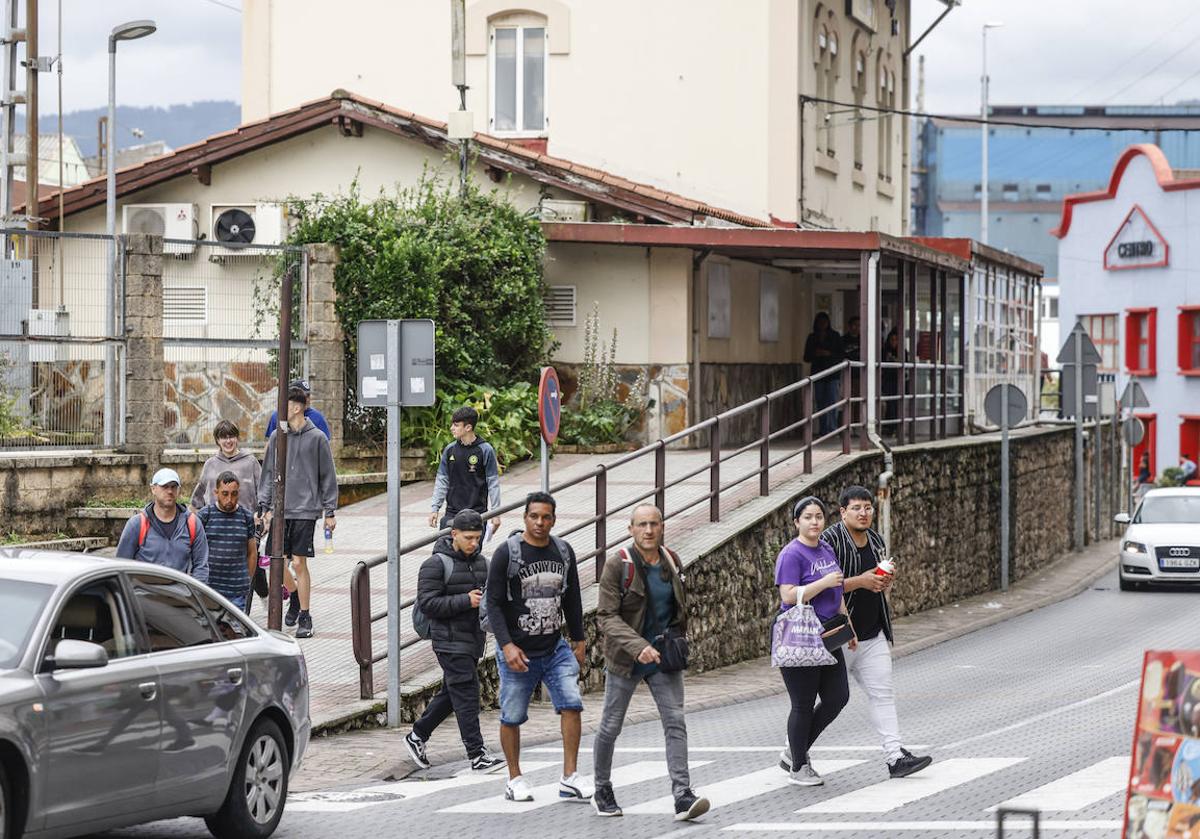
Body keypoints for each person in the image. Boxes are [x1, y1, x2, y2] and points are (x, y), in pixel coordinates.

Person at [780, 486, 932, 779]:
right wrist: (861, 582)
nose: (863, 513)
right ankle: (793, 752)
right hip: (837, 637)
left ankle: (895, 756)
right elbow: (829, 584)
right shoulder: (829, 541)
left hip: (871, 631)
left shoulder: (875, 540)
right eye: (857, 508)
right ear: (842, 512)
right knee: (828, 699)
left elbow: (861, 582)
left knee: (882, 693)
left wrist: (882, 580)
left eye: (868, 508)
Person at [592, 504, 710, 821]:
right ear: (631, 529)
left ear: (662, 527)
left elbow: (680, 607)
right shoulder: (618, 564)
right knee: (611, 726)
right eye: (641, 524)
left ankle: (682, 796)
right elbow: (606, 616)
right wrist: (637, 646)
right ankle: (601, 788)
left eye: (654, 524)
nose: (648, 530)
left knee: (675, 722)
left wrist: (676, 641)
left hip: (663, 658)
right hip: (626, 659)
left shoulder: (671, 560)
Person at [486, 492, 590, 804]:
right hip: (518, 650)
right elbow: (492, 602)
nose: (540, 523)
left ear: (554, 519)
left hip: (554, 647)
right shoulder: (507, 553)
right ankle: (514, 778)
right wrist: (506, 646)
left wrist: (579, 639)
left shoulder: (563, 551)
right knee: (512, 715)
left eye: (546, 517)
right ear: (525, 518)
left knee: (572, 703)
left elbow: (572, 599)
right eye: (534, 516)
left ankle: (570, 776)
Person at [404, 510, 506, 773]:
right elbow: (427, 603)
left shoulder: (482, 563)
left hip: (473, 639)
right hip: (447, 640)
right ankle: (477, 754)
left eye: (478, 537)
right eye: (468, 537)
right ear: (454, 535)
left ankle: (417, 736)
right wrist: (465, 601)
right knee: (468, 693)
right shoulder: (435, 564)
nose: (474, 543)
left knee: (453, 693)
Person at [774, 496, 855, 786]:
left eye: (819, 516)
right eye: (808, 517)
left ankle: (794, 752)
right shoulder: (791, 554)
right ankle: (798, 766)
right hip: (801, 637)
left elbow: (839, 589)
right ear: (797, 522)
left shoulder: (826, 548)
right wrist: (821, 583)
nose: (814, 522)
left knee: (837, 697)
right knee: (803, 704)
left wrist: (850, 627)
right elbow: (787, 595)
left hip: (829, 635)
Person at [258, 385, 338, 639]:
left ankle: (305, 614)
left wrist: (330, 511)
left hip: (305, 509)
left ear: (297, 407)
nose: (280, 408)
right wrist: (264, 506)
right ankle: (293, 595)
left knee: (298, 562)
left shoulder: (317, 438)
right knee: (275, 564)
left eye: (285, 403)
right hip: (281, 509)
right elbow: (268, 472)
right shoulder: (276, 438)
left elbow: (328, 476)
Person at [115, 467, 209, 584]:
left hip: (180, 597)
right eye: (165, 486)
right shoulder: (137, 524)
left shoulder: (192, 523)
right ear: (153, 489)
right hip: (145, 597)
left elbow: (201, 566)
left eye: (173, 487)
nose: (170, 491)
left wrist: (194, 595)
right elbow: (121, 565)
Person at [429, 406, 502, 531]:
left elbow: (493, 483)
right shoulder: (449, 450)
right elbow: (442, 480)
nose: (452, 428)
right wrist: (435, 508)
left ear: (468, 427)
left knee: (471, 549)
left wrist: (496, 513)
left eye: (456, 425)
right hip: (452, 514)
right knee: (446, 549)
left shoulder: (485, 450)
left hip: (477, 514)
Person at [196, 471, 258, 613]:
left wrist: (246, 581)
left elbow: (252, 553)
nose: (229, 499)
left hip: (237, 591)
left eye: (234, 494)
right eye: (225, 494)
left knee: (235, 632)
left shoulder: (246, 517)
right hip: (209, 590)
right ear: (216, 492)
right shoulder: (205, 515)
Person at [190, 419, 262, 512]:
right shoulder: (210, 464)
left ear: (237, 438)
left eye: (231, 436)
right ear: (217, 440)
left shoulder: (251, 462)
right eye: (224, 437)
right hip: (215, 522)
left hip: (245, 523)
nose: (228, 441)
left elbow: (263, 494)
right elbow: (197, 500)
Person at [804, 312, 843, 437]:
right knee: (820, 402)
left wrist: (828, 354)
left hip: (832, 373)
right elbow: (806, 357)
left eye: (825, 322)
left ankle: (832, 429)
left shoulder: (835, 336)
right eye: (820, 322)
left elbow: (841, 355)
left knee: (832, 401)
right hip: (818, 373)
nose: (822, 325)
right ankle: (823, 429)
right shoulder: (812, 337)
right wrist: (816, 353)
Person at [265, 379, 331, 440]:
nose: (307, 399)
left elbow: (324, 444)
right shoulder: (277, 416)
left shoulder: (318, 417)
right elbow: (270, 443)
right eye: (304, 396)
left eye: (308, 395)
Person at [882, 328, 901, 431]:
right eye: (892, 340)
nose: (894, 342)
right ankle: (889, 426)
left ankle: (895, 426)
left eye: (896, 340)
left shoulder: (902, 352)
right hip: (887, 380)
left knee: (897, 403)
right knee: (889, 404)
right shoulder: (884, 351)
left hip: (898, 381)